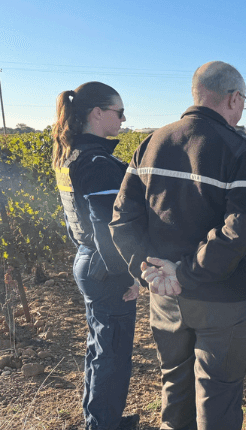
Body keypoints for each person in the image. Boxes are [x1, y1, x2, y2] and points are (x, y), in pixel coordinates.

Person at [110, 61, 246, 430]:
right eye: (244, 103)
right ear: (233, 98)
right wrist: (186, 272)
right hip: (224, 300)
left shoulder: (151, 143)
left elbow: (121, 217)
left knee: (174, 388)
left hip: (165, 298)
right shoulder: (243, 152)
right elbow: (239, 230)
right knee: (218, 399)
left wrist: (148, 270)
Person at [51, 82, 140, 430]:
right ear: (97, 114)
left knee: (101, 346)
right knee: (114, 354)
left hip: (88, 260)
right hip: (106, 265)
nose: (123, 119)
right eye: (119, 113)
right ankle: (103, 425)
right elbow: (109, 228)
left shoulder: (72, 155)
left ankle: (101, 417)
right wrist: (128, 274)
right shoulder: (99, 162)